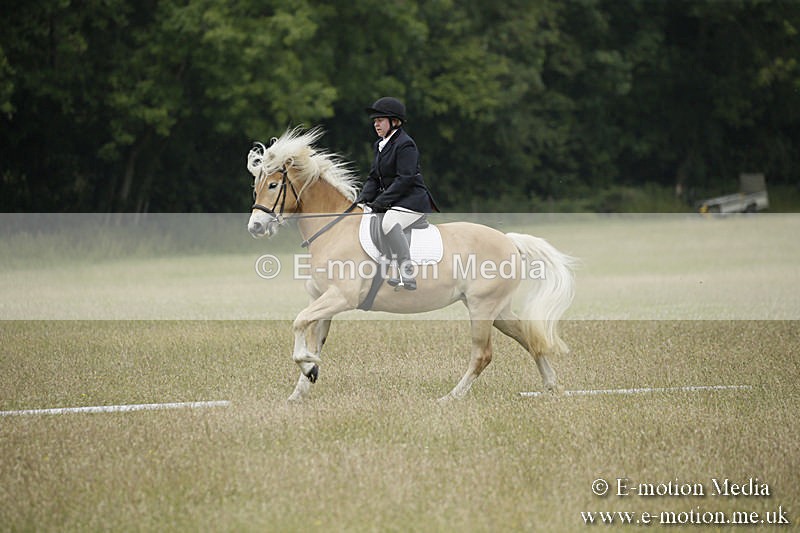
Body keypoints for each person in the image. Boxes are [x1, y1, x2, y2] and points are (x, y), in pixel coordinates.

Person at [356, 97, 438, 291]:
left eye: (380, 120)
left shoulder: (405, 144)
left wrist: (380, 202)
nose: (375, 124)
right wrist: (360, 201)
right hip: (395, 201)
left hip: (412, 201)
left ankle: (406, 271)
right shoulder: (380, 145)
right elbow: (374, 178)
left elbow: (405, 179)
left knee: (389, 222)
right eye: (374, 120)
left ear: (395, 122)